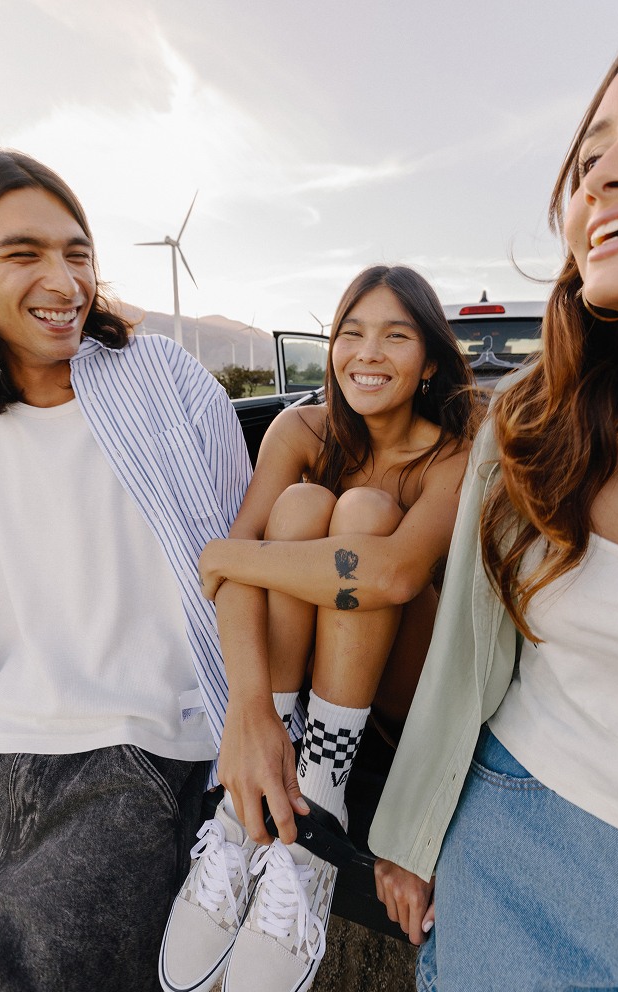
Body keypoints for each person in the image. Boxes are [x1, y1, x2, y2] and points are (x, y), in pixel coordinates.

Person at [370, 4, 618, 990]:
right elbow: (466, 659)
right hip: (521, 844)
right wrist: (411, 831)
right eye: (589, 152)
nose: (602, 173)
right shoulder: (526, 425)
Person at [0, 146, 250, 992]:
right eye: (23, 254)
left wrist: (251, 718)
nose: (65, 280)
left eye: (77, 251)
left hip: (137, 749)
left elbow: (241, 557)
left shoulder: (166, 376)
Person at [159, 264, 478, 992]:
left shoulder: (457, 446)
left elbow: (395, 574)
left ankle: (322, 793)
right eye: (351, 333)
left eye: (395, 336)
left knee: (363, 513)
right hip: (292, 687)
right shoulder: (299, 428)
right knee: (302, 506)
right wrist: (249, 715)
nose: (367, 353)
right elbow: (234, 583)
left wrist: (230, 552)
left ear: (428, 359)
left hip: (411, 685)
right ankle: (252, 811)